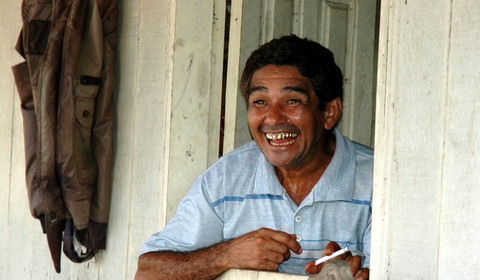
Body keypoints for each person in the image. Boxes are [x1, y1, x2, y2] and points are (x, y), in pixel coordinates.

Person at [134, 34, 373, 280]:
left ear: (329, 113)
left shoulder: (379, 183)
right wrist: (227, 255)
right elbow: (147, 273)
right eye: (260, 101)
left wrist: (352, 274)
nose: (272, 118)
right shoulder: (228, 176)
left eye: (292, 101)